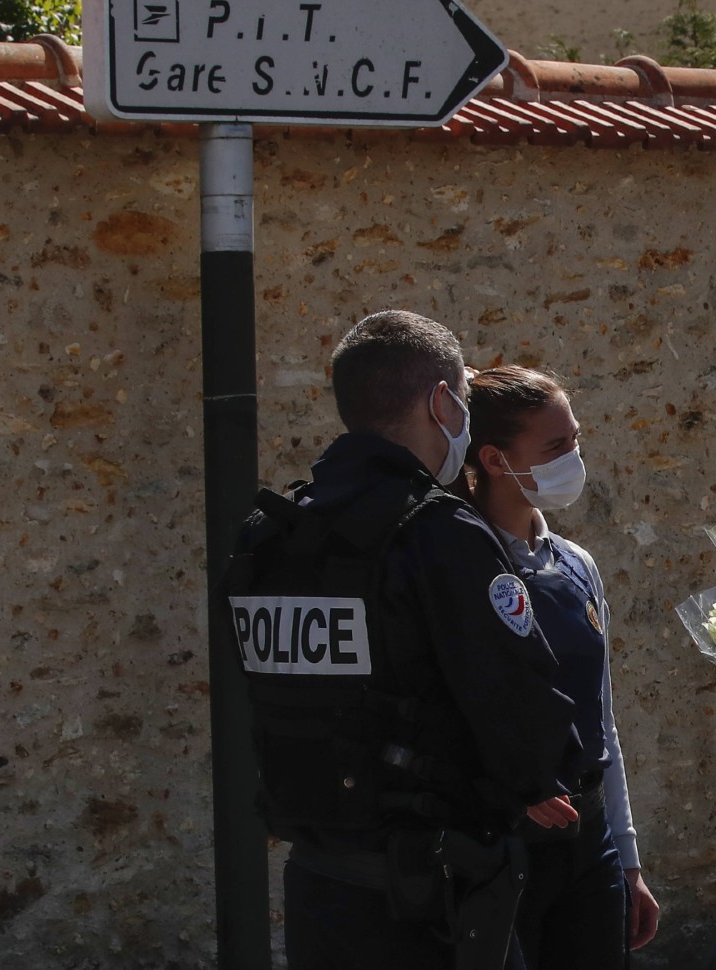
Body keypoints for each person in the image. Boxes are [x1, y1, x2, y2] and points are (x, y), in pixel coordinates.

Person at [226, 310, 583, 970]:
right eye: (464, 400)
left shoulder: (271, 535)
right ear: (443, 402)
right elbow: (525, 714)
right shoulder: (436, 532)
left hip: (317, 891)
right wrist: (540, 775)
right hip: (429, 901)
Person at [458, 365, 660, 969]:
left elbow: (601, 720)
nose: (572, 457)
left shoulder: (575, 564)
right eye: (554, 447)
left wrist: (628, 860)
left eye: (574, 439)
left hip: (588, 843)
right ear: (494, 459)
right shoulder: (459, 566)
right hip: (501, 846)